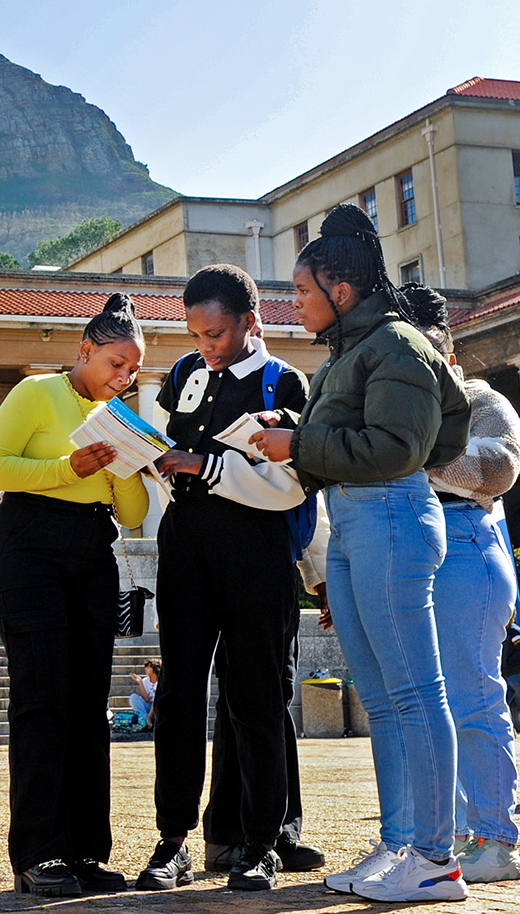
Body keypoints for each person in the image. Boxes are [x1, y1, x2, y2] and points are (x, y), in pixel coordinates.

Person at [247, 205, 471, 904]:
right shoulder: (352, 349)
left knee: (414, 692)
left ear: (341, 290)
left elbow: (400, 447)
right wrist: (295, 432)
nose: (296, 302)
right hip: (354, 522)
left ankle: (437, 857)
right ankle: (402, 842)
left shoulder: (396, 344)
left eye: (303, 290)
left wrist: (299, 445)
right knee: (383, 697)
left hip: (391, 516)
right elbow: (362, 436)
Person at [141, 264, 320, 894]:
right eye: (195, 334)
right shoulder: (187, 374)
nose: (205, 346)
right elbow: (164, 446)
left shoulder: (286, 383)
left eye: (215, 333)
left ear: (250, 321)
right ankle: (173, 841)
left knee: (256, 699)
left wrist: (201, 463)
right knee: (180, 693)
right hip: (186, 550)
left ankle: (260, 843)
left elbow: (292, 484)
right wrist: (154, 458)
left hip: (255, 554)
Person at [0, 290, 155, 897]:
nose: (124, 377)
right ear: (85, 350)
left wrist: (125, 466)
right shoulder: (37, 393)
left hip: (90, 558)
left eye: (133, 370)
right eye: (116, 364)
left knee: (88, 708)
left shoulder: (123, 418)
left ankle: (84, 851)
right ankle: (37, 852)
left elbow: (131, 511)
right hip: (26, 549)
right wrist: (69, 468)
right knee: (41, 698)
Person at [397, 283, 520, 884]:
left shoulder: (482, 398)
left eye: (422, 352)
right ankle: (443, 837)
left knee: (472, 695)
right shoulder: (393, 403)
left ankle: (497, 839)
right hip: (408, 549)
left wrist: (404, 450)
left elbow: (494, 469)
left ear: (446, 349)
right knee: (426, 703)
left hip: (466, 545)